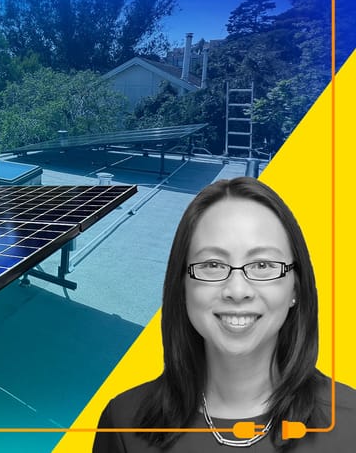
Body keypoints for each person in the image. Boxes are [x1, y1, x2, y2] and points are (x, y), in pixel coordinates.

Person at [92, 177, 356, 451]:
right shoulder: (123, 423)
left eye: (263, 264)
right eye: (213, 264)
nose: (237, 290)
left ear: (296, 288)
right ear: (182, 286)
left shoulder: (352, 424)